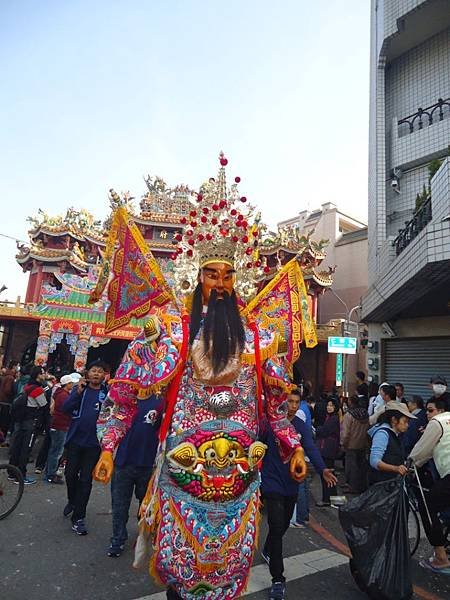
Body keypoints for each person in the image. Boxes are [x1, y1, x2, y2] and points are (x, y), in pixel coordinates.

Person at [93, 156, 309, 600]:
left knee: (230, 567)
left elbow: (276, 405)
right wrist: (110, 447)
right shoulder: (171, 330)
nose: (221, 282)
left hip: (241, 475)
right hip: (183, 466)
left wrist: (294, 446)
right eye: (212, 273)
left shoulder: (257, 337)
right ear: (197, 274)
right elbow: (122, 395)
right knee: (180, 571)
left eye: (229, 273)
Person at [260, 391, 337, 598]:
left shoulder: (300, 426)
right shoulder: (270, 424)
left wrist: (322, 470)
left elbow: (310, 448)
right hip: (271, 482)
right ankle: (278, 579)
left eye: (296, 402)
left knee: (283, 525)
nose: (293, 406)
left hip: (292, 484)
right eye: (290, 402)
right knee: (276, 527)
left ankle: (268, 548)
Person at [103, 394, 163, 557]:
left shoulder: (160, 401)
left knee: (146, 507)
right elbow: (107, 424)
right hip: (123, 463)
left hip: (148, 465)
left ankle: (144, 536)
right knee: (119, 506)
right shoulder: (123, 399)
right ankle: (118, 538)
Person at [62, 360, 108, 535]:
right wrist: (77, 393)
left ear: (104, 375)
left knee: (86, 480)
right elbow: (65, 408)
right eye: (93, 371)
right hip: (75, 441)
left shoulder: (106, 394)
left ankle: (79, 517)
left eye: (100, 371)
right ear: (88, 374)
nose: (96, 374)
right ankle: (72, 501)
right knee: (70, 474)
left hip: (93, 445)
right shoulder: (79, 390)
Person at [409, 399, 450, 573]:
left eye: (430, 410)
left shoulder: (437, 422)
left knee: (426, 505)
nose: (427, 414)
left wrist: (410, 464)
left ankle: (441, 557)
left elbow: (421, 451)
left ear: (440, 410)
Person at [8, 366, 48, 484]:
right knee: (26, 449)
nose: (44, 375)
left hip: (21, 419)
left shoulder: (27, 386)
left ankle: (11, 471)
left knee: (17, 446)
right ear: (38, 375)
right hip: (30, 421)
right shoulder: (37, 389)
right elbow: (44, 405)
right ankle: (21, 475)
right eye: (42, 373)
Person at [368, 402, 416, 484]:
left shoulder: (397, 434)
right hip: (381, 484)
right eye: (405, 421)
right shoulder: (382, 434)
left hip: (392, 483)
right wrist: (396, 468)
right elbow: (374, 461)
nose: (407, 425)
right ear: (394, 420)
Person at [45, 373, 78, 484]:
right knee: (57, 451)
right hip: (60, 425)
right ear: (67, 384)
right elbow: (66, 409)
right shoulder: (63, 396)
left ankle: (49, 471)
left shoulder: (59, 393)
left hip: (57, 424)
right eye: (71, 383)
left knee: (53, 449)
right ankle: (51, 474)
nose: (72, 385)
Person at [341, 395, 369, 494]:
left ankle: (351, 486)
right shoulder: (365, 413)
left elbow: (346, 433)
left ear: (350, 402)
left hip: (351, 444)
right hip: (362, 444)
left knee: (351, 467)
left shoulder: (349, 415)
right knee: (361, 466)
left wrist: (343, 444)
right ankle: (361, 485)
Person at [315, 399, 340, 506]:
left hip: (328, 449)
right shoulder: (329, 417)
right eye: (328, 405)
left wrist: (318, 429)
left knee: (326, 474)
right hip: (327, 448)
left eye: (331, 406)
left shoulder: (333, 419)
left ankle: (327, 499)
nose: (329, 407)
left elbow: (324, 431)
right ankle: (333, 498)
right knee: (329, 473)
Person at [0, 361, 18, 438]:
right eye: (17, 366)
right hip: (6, 402)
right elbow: (7, 390)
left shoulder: (5, 375)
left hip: (2, 400)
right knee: (4, 422)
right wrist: (13, 394)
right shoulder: (11, 378)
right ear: (14, 367)